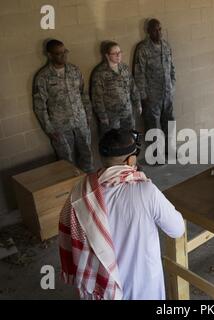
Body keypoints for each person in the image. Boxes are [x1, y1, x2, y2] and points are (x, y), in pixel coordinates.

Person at [59, 129, 185, 300]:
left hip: (100, 289)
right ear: (131, 160)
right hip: (143, 286)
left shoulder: (81, 191)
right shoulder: (146, 191)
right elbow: (177, 229)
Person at [33, 39, 94, 173]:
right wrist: (49, 128)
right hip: (60, 126)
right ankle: (71, 187)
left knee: (87, 154)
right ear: (49, 55)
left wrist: (88, 116)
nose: (63, 55)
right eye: (58, 53)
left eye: (65, 52)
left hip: (81, 121)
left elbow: (83, 94)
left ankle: (88, 185)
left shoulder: (74, 70)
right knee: (66, 160)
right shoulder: (43, 77)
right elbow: (40, 106)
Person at [134, 19, 176, 148]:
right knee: (154, 126)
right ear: (148, 31)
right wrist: (143, 95)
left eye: (159, 29)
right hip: (152, 96)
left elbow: (171, 67)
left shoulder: (166, 45)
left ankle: (170, 148)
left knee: (169, 123)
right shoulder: (143, 49)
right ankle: (157, 155)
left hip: (167, 94)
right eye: (154, 30)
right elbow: (139, 73)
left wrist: (172, 84)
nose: (158, 32)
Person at [91, 41, 142, 134]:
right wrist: (103, 116)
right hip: (112, 117)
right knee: (115, 143)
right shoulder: (100, 73)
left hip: (127, 113)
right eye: (115, 53)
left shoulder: (125, 68)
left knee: (131, 139)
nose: (118, 55)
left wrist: (138, 103)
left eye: (120, 52)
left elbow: (133, 87)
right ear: (107, 55)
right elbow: (97, 98)